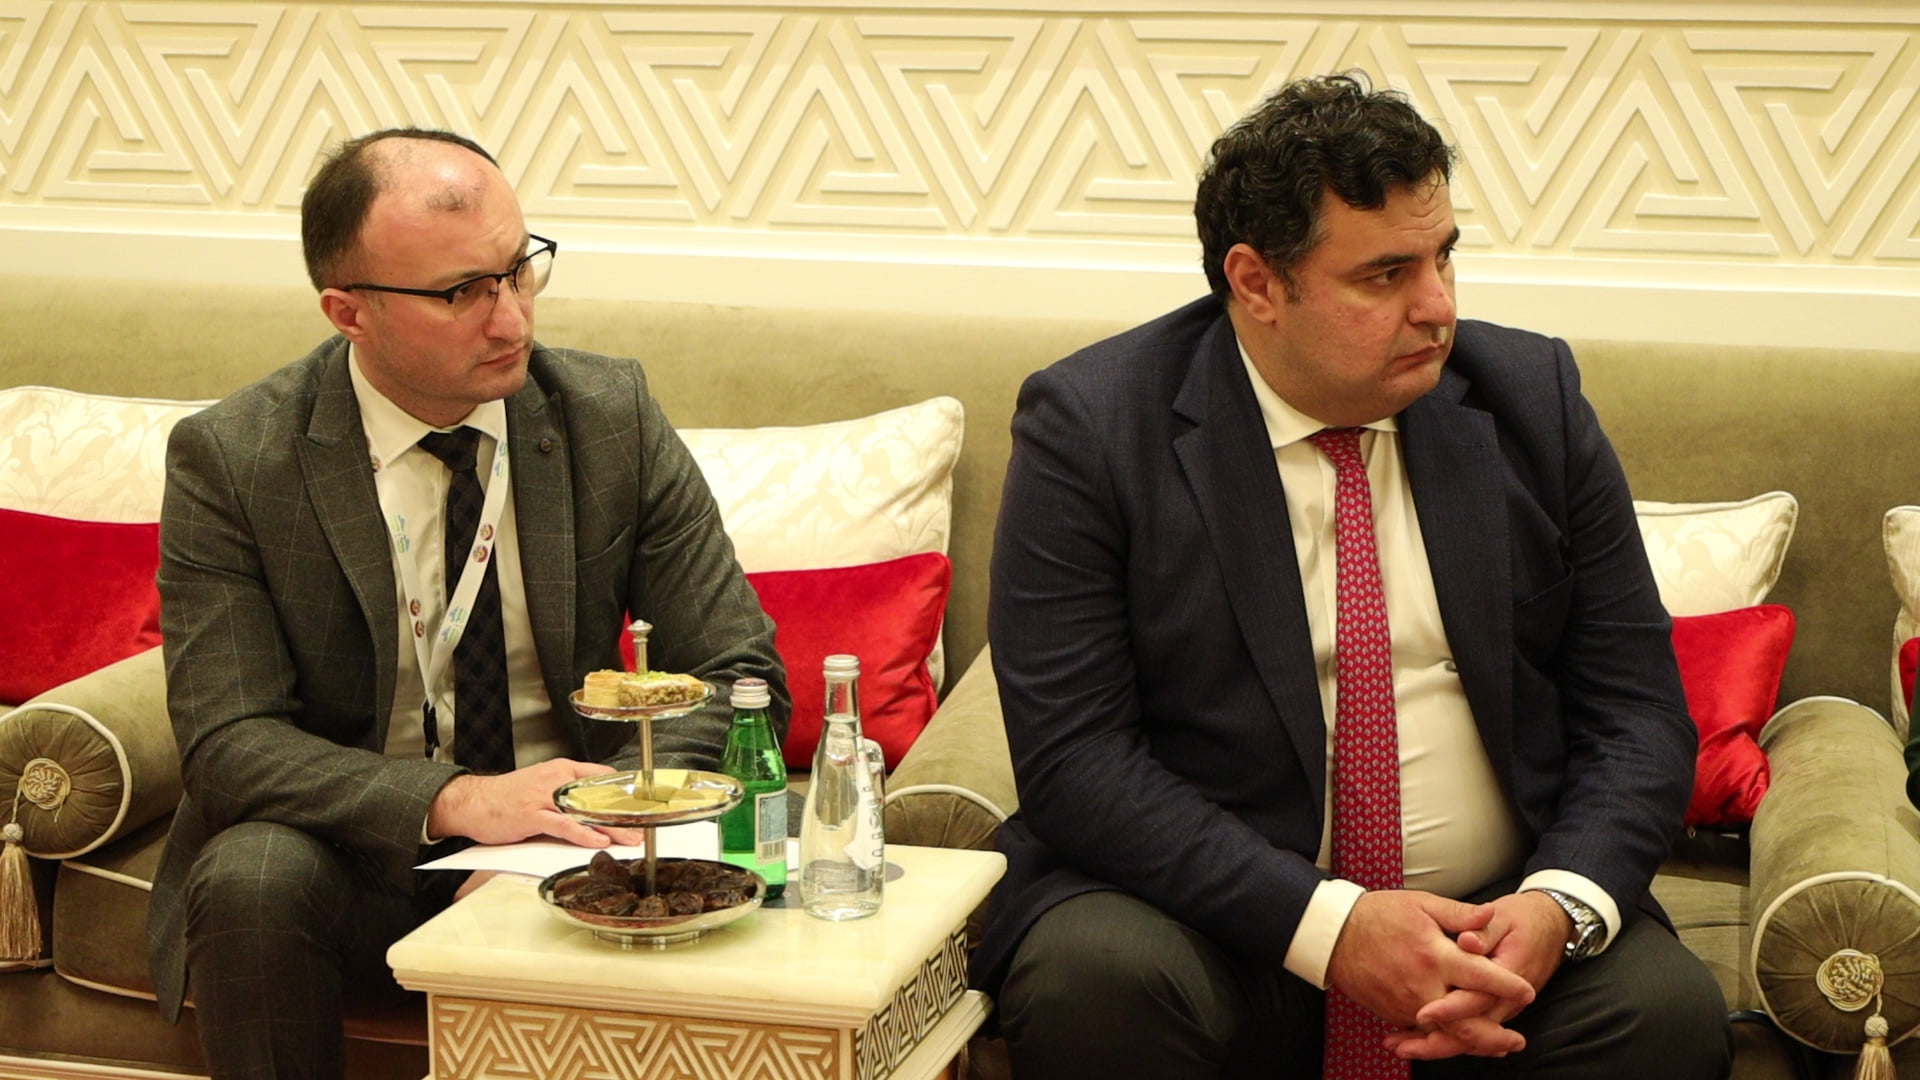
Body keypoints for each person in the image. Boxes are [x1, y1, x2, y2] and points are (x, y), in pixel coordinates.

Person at [972, 73, 1731, 1079]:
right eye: (1385, 275)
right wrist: (1330, 926)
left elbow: (1636, 713)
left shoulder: (1532, 400)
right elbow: (1077, 759)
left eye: (1444, 256)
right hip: (1218, 924)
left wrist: (1555, 905)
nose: (1438, 306)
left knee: (1663, 1016)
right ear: (1256, 284)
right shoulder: (1094, 428)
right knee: (1096, 978)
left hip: (1499, 927)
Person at [147, 128, 787, 1078]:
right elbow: (229, 742)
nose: (511, 320)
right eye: (462, 293)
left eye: (520, 269)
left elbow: (738, 672)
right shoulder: (237, 459)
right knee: (253, 874)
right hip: (354, 847)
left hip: (583, 834)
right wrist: (462, 803)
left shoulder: (608, 416)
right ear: (349, 311)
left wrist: (585, 826)